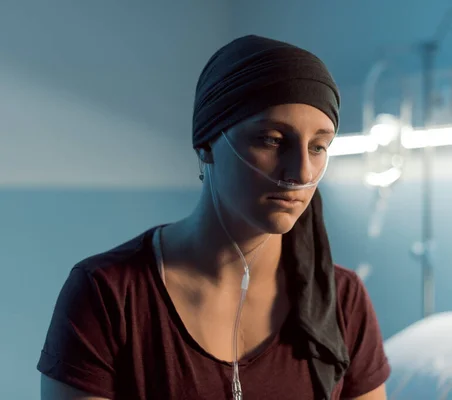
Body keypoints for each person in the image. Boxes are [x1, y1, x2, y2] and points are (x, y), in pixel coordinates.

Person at [37, 35, 390, 400]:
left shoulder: (343, 301)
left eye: (318, 147)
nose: (301, 172)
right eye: (271, 140)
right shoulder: (108, 295)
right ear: (206, 143)